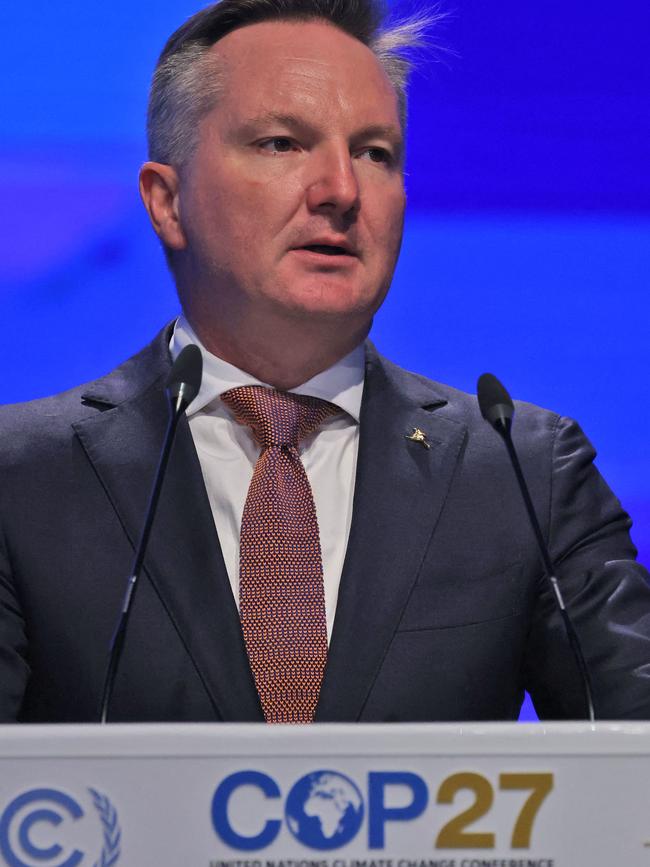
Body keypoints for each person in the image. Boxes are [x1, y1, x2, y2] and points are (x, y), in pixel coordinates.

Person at [0, 0, 649, 724]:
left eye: (376, 153)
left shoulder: (524, 472)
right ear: (166, 201)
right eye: (282, 143)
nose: (342, 191)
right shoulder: (21, 477)